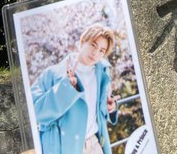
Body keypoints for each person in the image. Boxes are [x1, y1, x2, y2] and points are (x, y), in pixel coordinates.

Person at [31, 23, 119, 154]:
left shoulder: (102, 74)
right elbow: (35, 113)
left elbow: (99, 114)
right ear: (82, 41)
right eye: (93, 45)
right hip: (65, 148)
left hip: (95, 144)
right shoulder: (52, 74)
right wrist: (65, 89)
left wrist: (110, 108)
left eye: (102, 50)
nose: (95, 53)